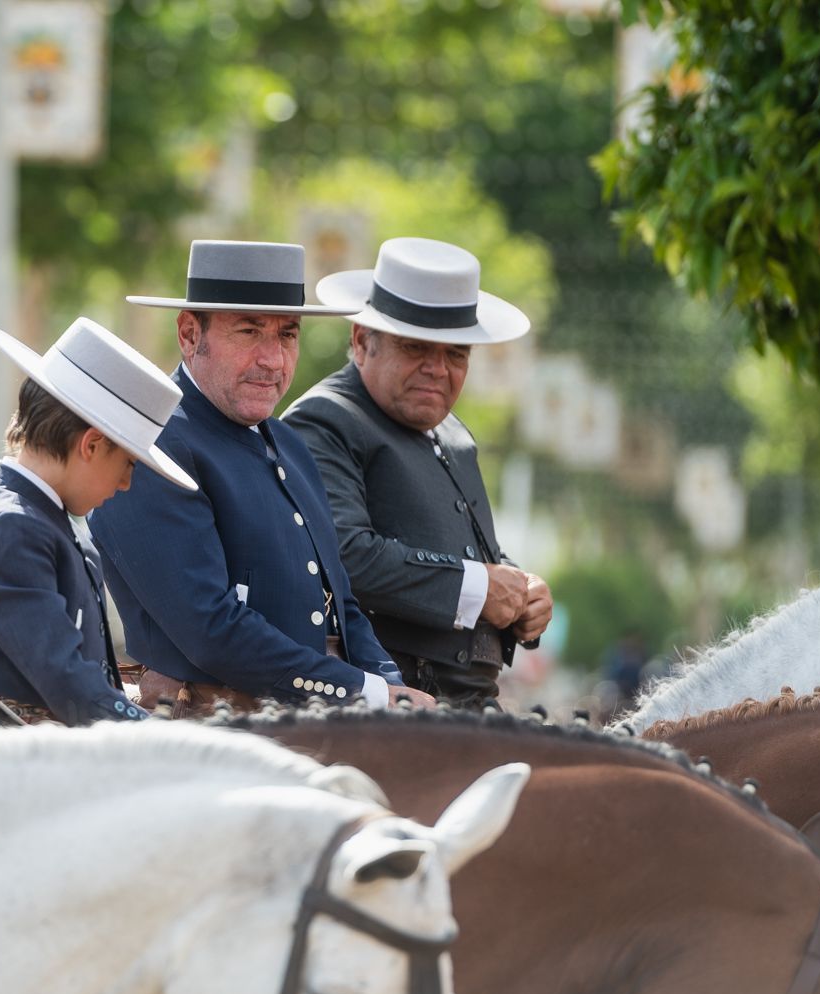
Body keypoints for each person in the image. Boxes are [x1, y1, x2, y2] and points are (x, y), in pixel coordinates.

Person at [88, 240, 433, 717]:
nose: (273, 359)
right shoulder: (154, 445)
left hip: (325, 717)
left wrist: (389, 686)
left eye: (287, 335)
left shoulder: (289, 444)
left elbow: (342, 604)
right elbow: (210, 628)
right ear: (190, 334)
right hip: (220, 729)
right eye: (249, 331)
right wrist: (363, 691)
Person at [283, 236, 552, 706]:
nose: (437, 369)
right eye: (415, 349)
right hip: (390, 705)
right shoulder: (325, 419)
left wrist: (522, 591)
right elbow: (344, 554)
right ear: (362, 341)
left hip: (466, 703)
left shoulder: (453, 434)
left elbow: (466, 551)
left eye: (456, 355)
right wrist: (480, 587)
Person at [0, 317, 197, 724]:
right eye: (128, 463)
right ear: (92, 444)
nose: (127, 483)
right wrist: (156, 735)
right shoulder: (11, 528)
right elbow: (67, 683)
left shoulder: (44, 522)